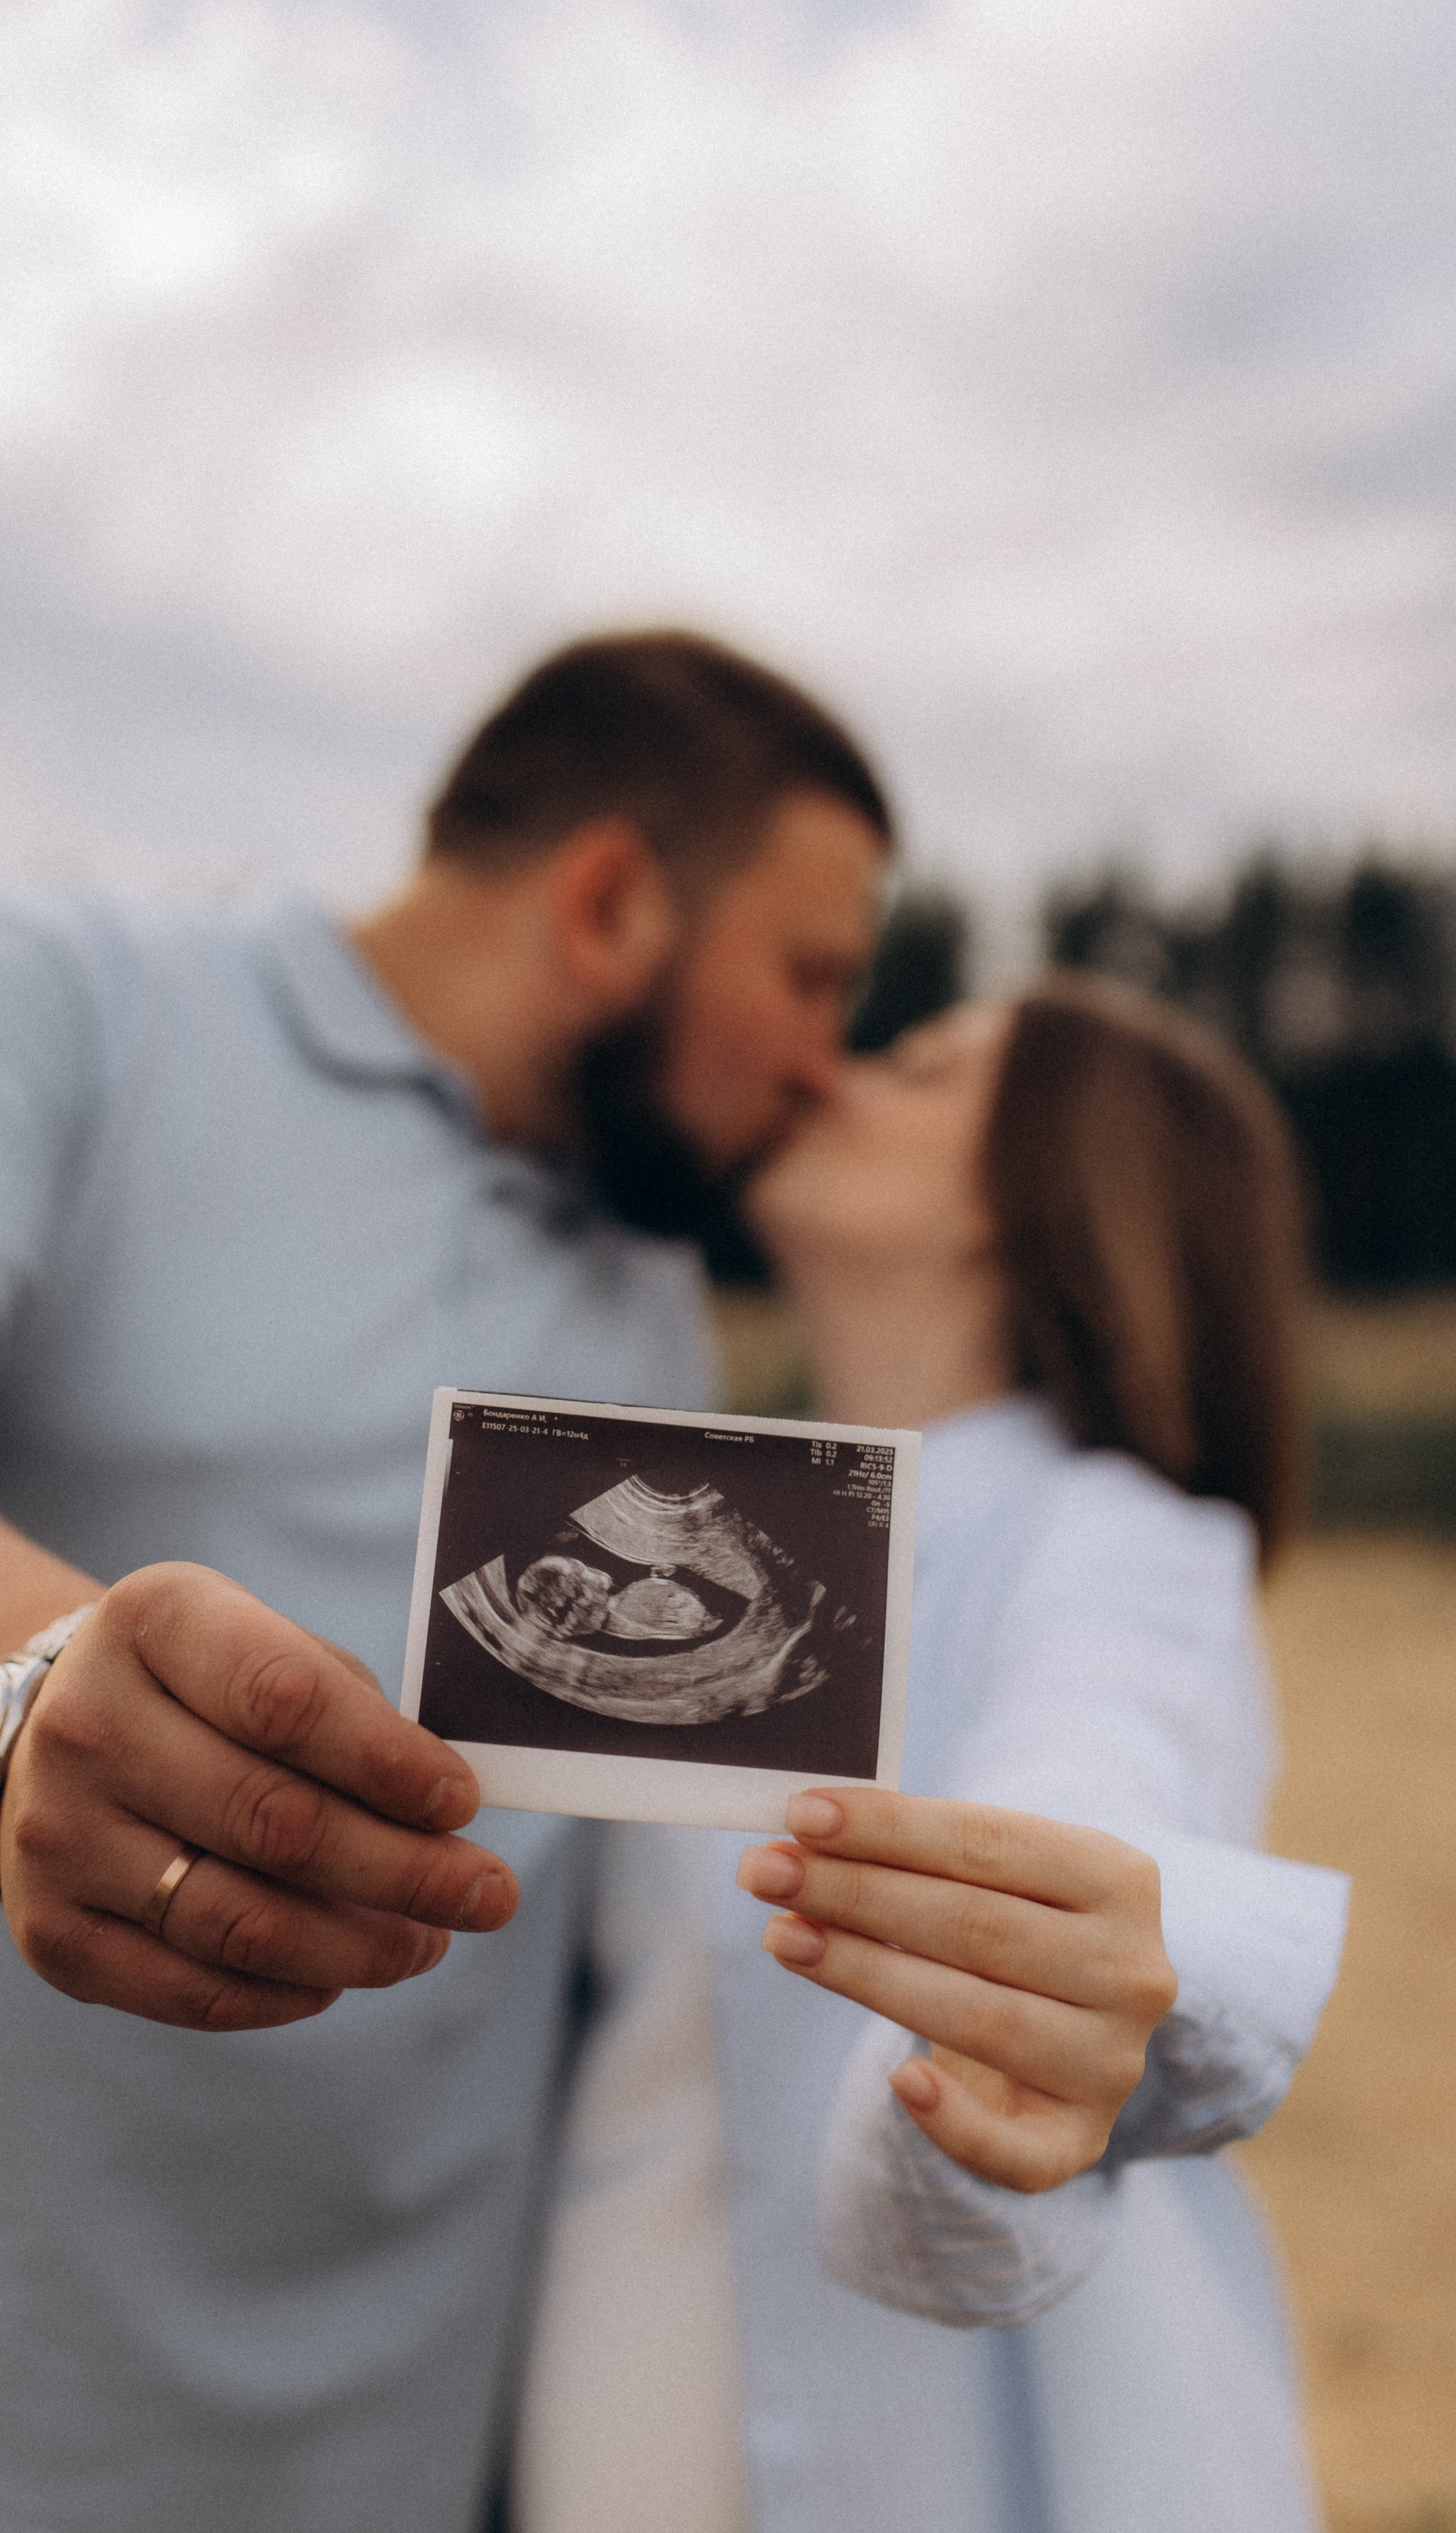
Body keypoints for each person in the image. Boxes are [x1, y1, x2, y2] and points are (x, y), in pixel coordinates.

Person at [0, 636, 1183, 2533]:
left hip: (407, 2469)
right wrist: (14, 1708)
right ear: (609, 903)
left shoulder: (655, 1300)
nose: (822, 1064)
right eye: (813, 974)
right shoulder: (46, 995)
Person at [514, 977, 1349, 2533]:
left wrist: (1036, 1969)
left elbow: (1098, 1772)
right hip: (616, 2396)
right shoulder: (682, 1525)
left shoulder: (1123, 1549)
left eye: (915, 1067)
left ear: (1025, 1195)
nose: (825, 1071)